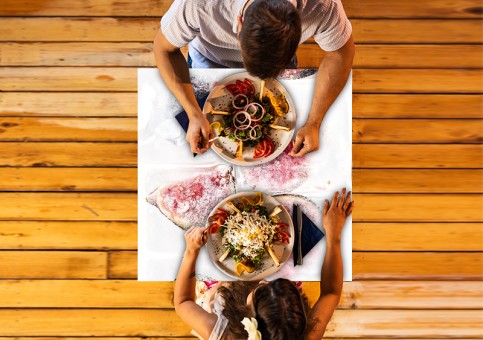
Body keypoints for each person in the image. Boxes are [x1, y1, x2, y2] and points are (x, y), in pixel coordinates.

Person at [154, 0, 355, 156]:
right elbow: (164, 49)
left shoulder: (323, 6)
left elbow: (340, 54)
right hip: (209, 60)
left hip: (282, 68)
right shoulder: (197, 5)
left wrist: (314, 123)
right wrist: (193, 113)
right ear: (239, 23)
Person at [174, 189, 353, 339]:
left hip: (222, 295)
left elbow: (183, 302)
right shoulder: (305, 334)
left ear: (249, 319)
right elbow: (331, 293)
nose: (264, 281)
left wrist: (191, 251)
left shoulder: (224, 334)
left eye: (261, 289)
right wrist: (334, 235)